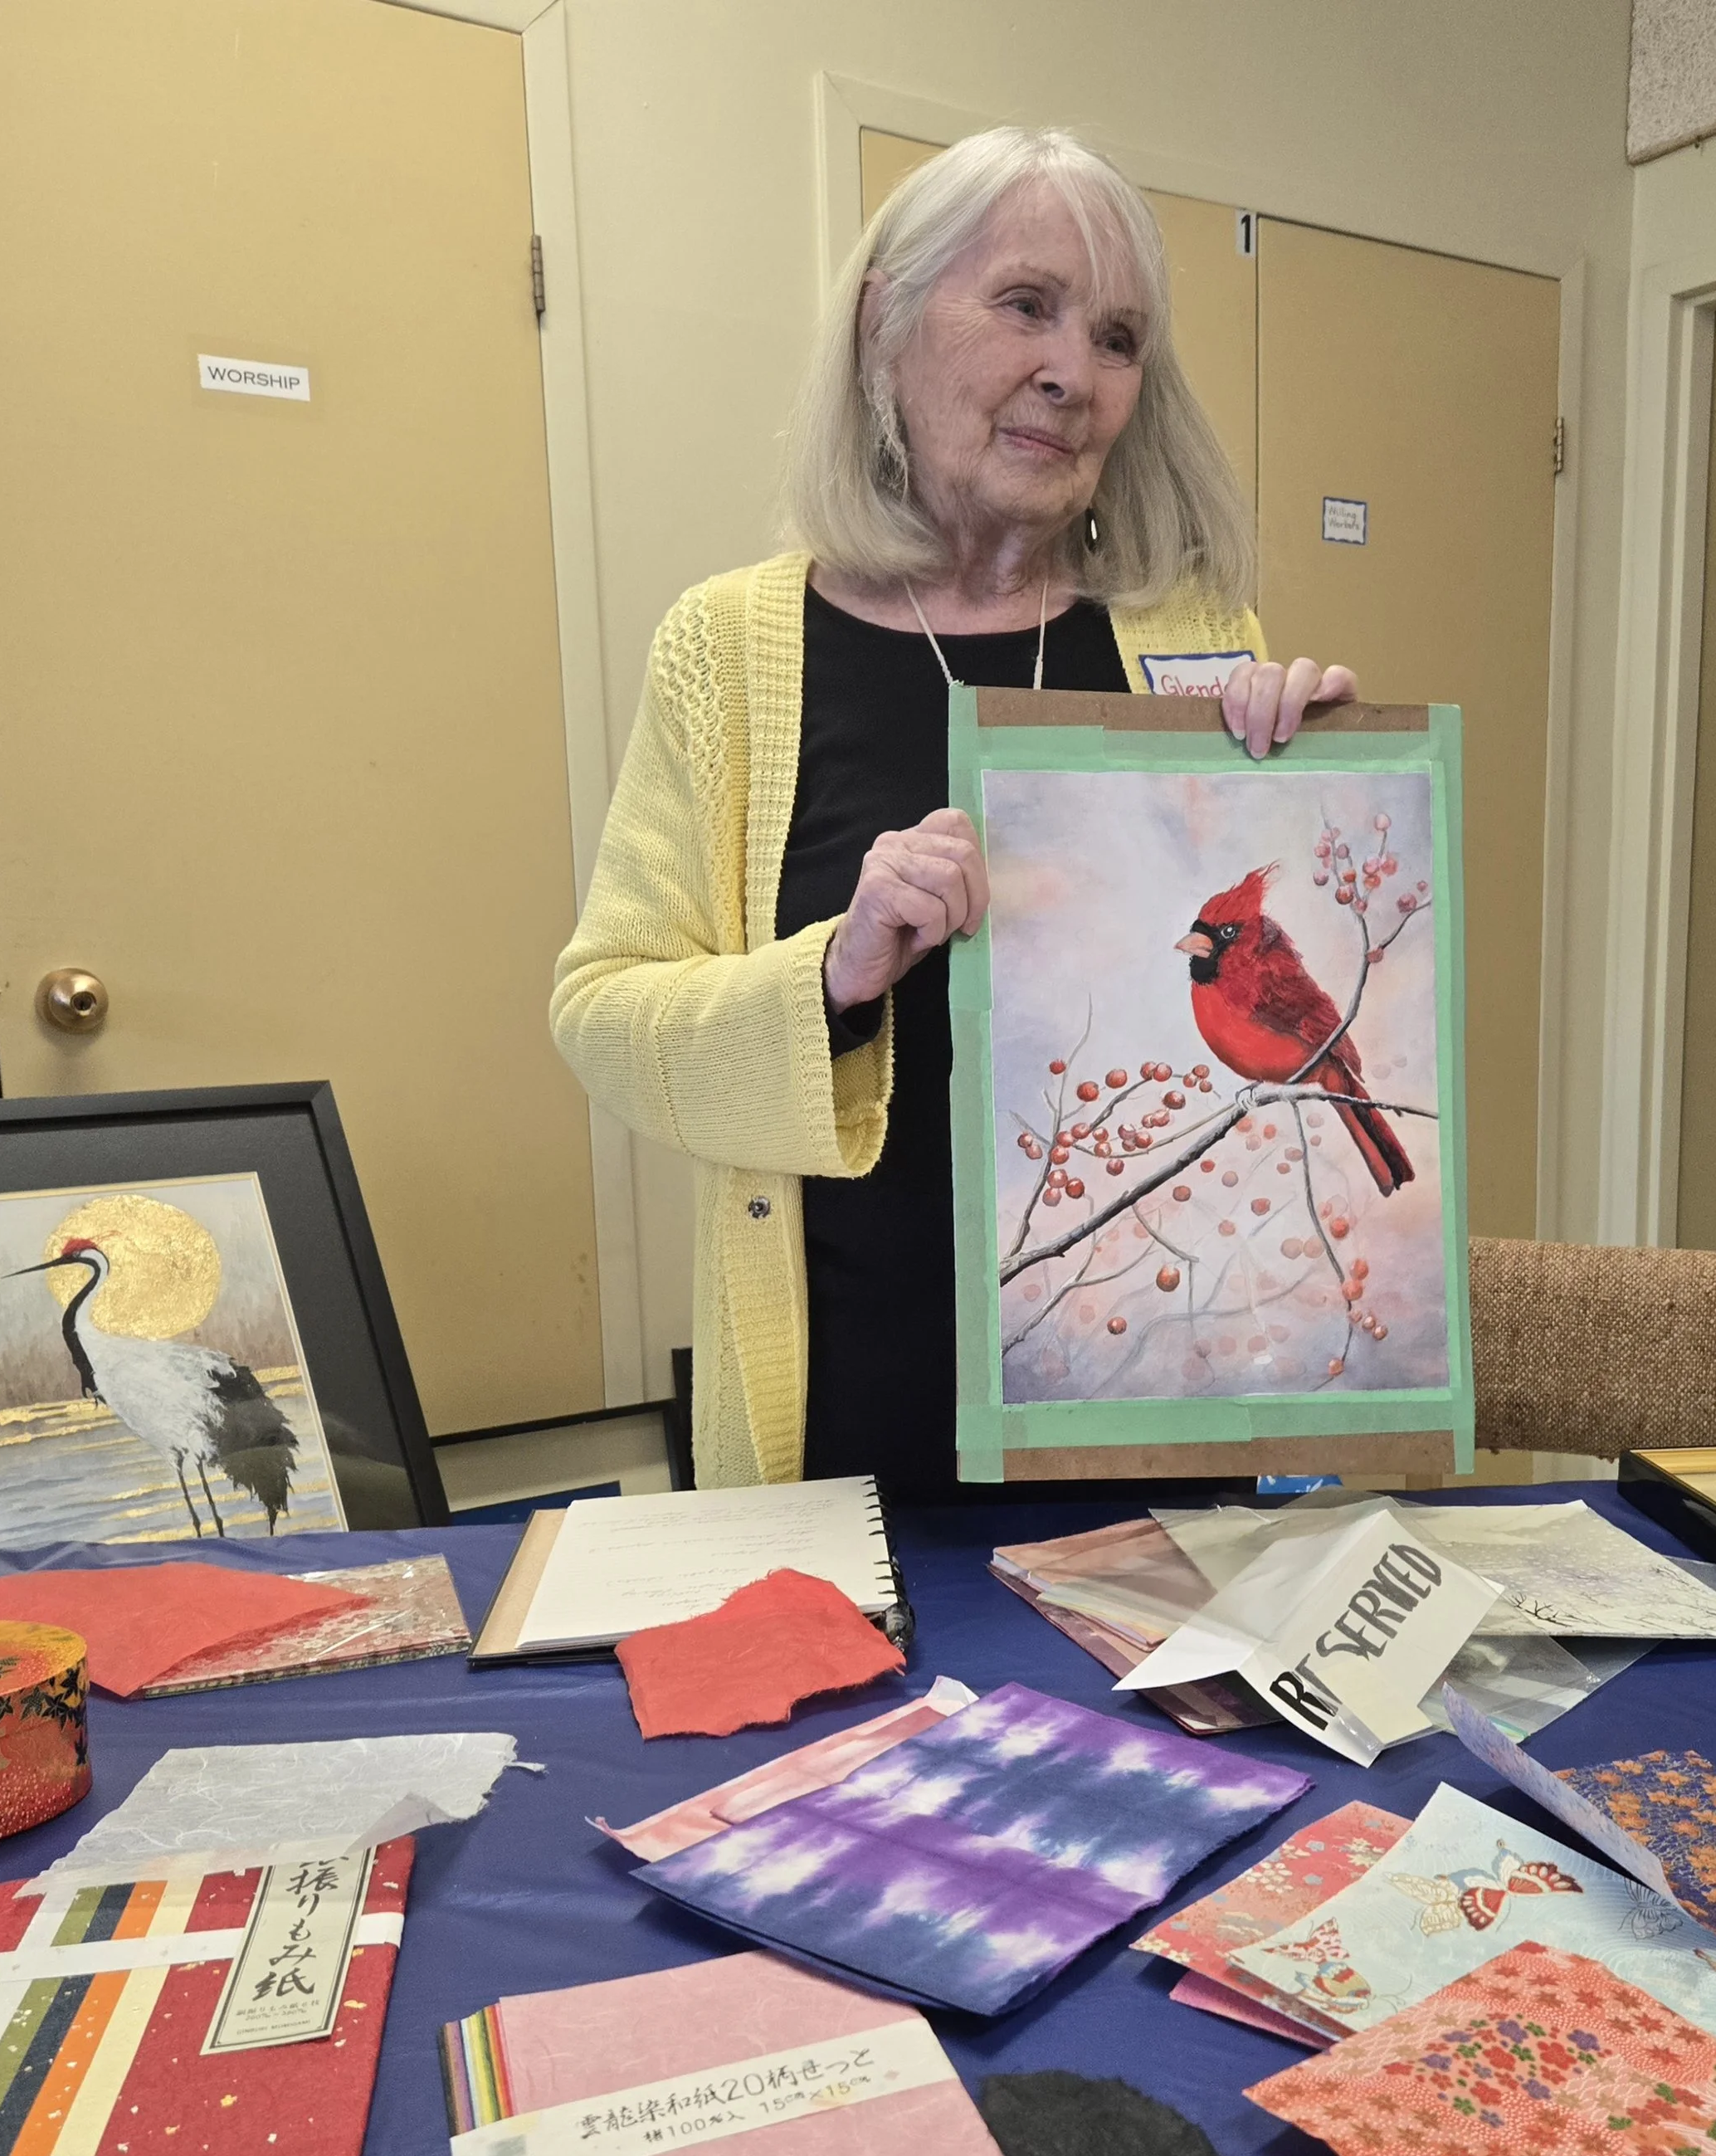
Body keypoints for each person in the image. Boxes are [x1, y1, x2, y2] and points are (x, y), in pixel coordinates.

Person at [551, 126, 1358, 1492]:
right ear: (886, 324)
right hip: (856, 1409)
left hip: (1139, 1388)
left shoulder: (1195, 634)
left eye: (1116, 337)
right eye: (1026, 306)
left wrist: (1324, 809)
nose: (1072, 374)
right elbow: (605, 1012)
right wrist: (836, 974)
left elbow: (1239, 983)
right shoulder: (731, 646)